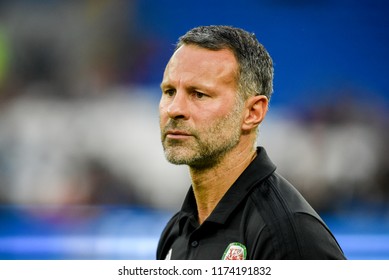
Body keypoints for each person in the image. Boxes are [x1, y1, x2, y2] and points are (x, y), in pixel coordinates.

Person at [156, 25, 346, 260]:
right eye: (169, 91)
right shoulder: (176, 232)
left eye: (199, 94)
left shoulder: (289, 234)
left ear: (253, 113)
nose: (175, 109)